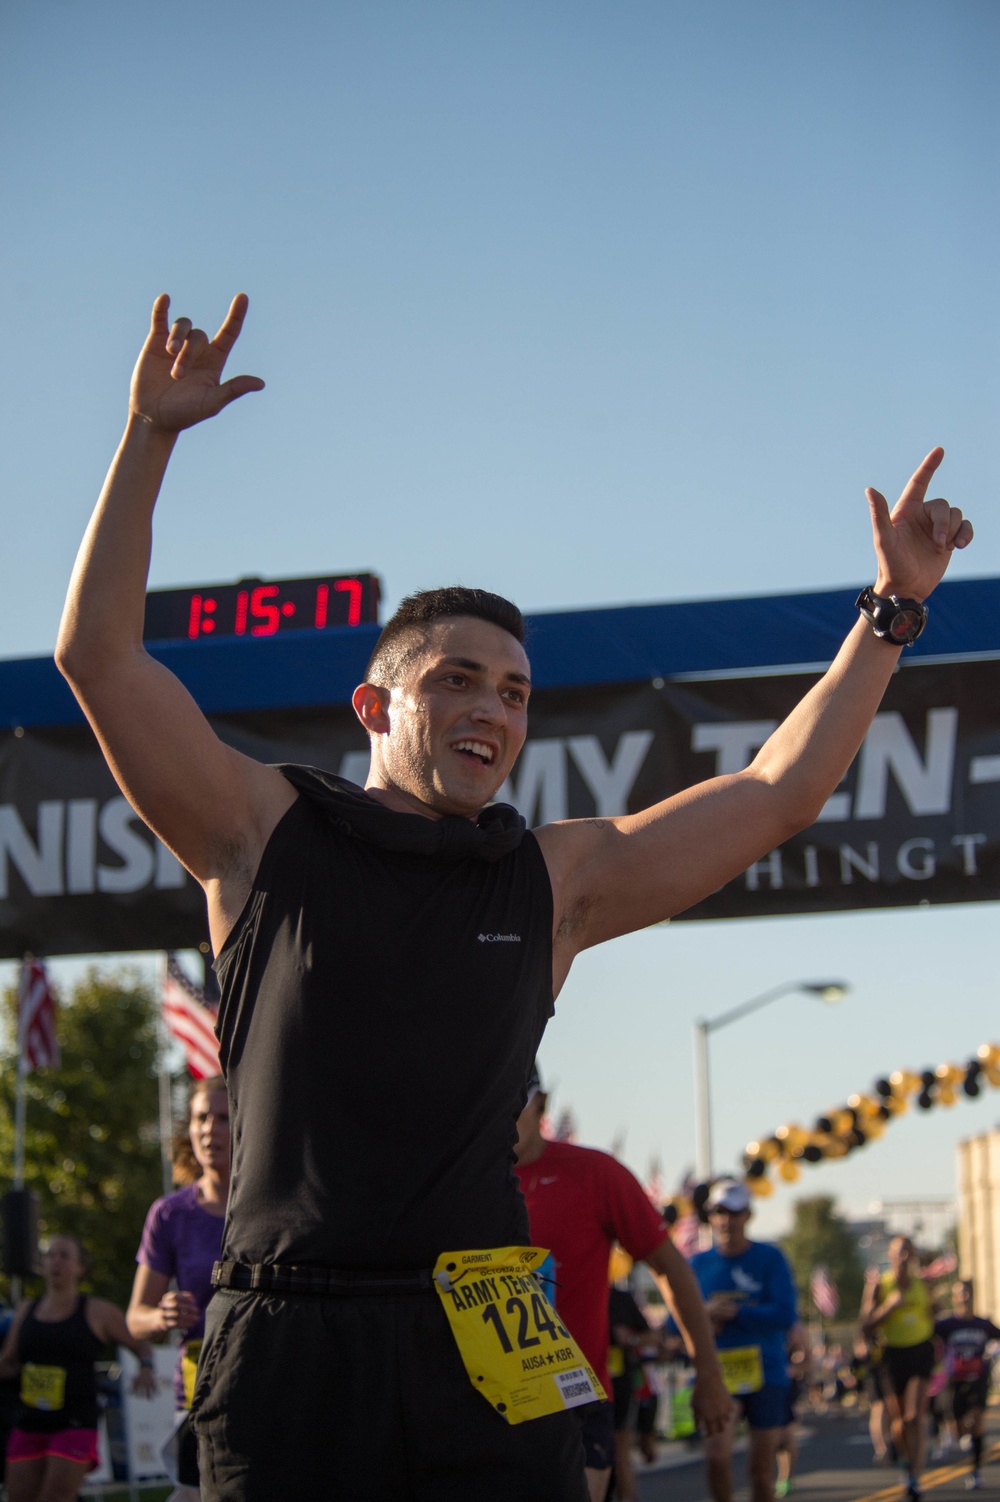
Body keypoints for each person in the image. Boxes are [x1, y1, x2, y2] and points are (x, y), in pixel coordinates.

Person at [54, 292, 972, 1502]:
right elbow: (100, 658)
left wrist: (889, 616)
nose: (494, 707)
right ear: (377, 707)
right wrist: (149, 436)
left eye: (518, 692)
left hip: (495, 1320)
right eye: (458, 680)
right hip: (291, 1329)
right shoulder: (263, 827)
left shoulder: (554, 875)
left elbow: (774, 790)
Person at [513, 1072, 732, 1501]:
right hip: (483, 1405)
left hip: (575, 1396)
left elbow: (669, 1268)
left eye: (515, 1098)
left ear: (541, 1104)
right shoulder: (458, 1185)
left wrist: (708, 1372)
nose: (500, 1111)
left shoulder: (594, 1174)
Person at [127, 1075, 230, 1502]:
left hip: (264, 1378)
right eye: (201, 1117)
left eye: (224, 1118)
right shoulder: (169, 1214)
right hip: (196, 1392)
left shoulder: (273, 1201)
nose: (210, 1129)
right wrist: (161, 1316)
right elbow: (135, 1319)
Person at [0, 1234, 156, 1502]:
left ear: (80, 1267)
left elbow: (141, 1345)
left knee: (55, 1498)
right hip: (29, 1420)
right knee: (19, 1496)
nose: (56, 1262)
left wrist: (145, 1368)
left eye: (64, 1256)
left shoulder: (98, 1311)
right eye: (50, 1256)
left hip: (74, 1422)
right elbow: (9, 1363)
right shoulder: (26, 1310)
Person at [689, 1179, 798, 1502]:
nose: (726, 1220)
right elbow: (674, 1322)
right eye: (718, 1212)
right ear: (709, 1216)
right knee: (716, 1456)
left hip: (767, 1372)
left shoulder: (770, 1257)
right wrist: (705, 1313)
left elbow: (785, 1314)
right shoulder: (698, 1264)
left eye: (733, 1212)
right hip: (718, 1373)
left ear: (748, 1215)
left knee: (761, 1473)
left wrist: (737, 1313)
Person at [861, 1237, 936, 1501]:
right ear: (890, 1256)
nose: (903, 1256)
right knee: (899, 1422)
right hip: (892, 1355)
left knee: (914, 1416)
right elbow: (866, 1324)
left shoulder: (923, 1284)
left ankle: (916, 1476)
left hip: (920, 1352)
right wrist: (887, 1307)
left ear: (913, 1256)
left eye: (908, 1251)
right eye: (898, 1252)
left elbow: (933, 1312)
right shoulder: (880, 1284)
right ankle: (906, 1462)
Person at [934, 1279, 1000, 1490]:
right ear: (954, 1297)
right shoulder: (947, 1325)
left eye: (967, 1292)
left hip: (978, 1380)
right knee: (960, 1429)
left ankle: (975, 1471)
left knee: (978, 1421)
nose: (964, 1296)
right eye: (960, 1293)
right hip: (954, 1382)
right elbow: (927, 1336)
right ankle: (953, 1433)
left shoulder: (982, 1324)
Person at [774, 1321, 808, 1498]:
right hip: (764, 1383)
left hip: (786, 1386)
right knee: (772, 1436)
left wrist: (793, 1369)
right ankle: (775, 1477)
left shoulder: (796, 1327)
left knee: (786, 1435)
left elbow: (808, 1361)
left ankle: (786, 1477)